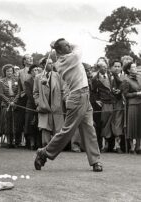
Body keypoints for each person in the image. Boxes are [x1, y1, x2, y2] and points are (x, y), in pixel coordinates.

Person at [34, 38, 102, 172]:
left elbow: (71, 47)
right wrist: (59, 44)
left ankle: (95, 161)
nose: (69, 46)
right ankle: (44, 153)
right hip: (77, 97)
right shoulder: (70, 58)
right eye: (65, 45)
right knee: (67, 131)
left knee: (89, 129)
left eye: (68, 44)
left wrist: (56, 45)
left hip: (83, 96)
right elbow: (79, 46)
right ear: (59, 51)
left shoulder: (62, 60)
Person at [33, 58, 64, 148]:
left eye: (52, 63)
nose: (52, 65)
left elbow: (62, 90)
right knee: (45, 128)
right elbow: (35, 92)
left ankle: (56, 147)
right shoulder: (38, 77)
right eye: (49, 63)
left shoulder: (58, 76)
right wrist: (39, 103)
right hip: (44, 107)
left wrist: (59, 102)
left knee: (57, 128)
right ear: (43, 65)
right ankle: (45, 147)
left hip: (56, 106)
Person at [121, 62, 141, 154]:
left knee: (139, 125)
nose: (135, 68)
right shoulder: (126, 80)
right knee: (132, 125)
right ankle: (132, 147)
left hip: (140, 103)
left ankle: (138, 146)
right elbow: (126, 94)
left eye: (135, 67)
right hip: (132, 104)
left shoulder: (139, 78)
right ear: (128, 70)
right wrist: (137, 94)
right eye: (133, 67)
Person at [0, 64, 20, 148]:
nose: (9, 72)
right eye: (7, 71)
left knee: (15, 123)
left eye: (11, 71)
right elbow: (0, 93)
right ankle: (8, 142)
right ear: (5, 72)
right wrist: (8, 101)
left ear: (13, 72)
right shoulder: (2, 81)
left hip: (15, 103)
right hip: (5, 104)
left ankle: (15, 141)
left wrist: (14, 101)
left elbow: (19, 92)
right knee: (7, 123)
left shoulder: (17, 80)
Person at [24, 64, 40, 150]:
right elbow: (29, 95)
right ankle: (31, 143)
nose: (36, 71)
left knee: (38, 125)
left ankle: (38, 143)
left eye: (37, 69)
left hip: (40, 106)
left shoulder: (41, 80)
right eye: (34, 70)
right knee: (30, 125)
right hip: (31, 105)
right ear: (30, 72)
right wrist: (36, 104)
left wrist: (40, 104)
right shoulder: (28, 81)